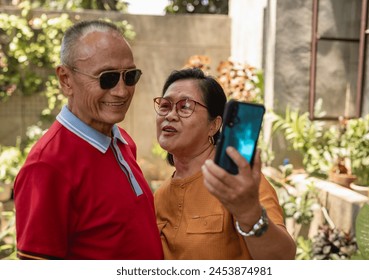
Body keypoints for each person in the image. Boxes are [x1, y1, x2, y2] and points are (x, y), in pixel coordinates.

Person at [13, 20, 163, 260]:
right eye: (107, 78)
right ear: (66, 80)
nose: (122, 91)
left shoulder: (121, 140)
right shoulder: (47, 167)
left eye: (130, 76)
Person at [153, 68, 296, 259]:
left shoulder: (237, 184)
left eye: (185, 106)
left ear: (214, 125)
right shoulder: (160, 196)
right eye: (165, 106)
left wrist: (249, 213)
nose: (170, 115)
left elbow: (282, 259)